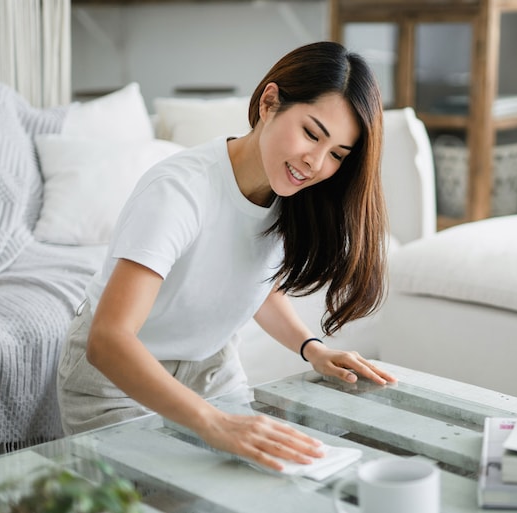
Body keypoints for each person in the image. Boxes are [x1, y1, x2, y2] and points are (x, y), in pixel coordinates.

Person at [57, 41, 396, 472]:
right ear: (269, 102)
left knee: (272, 478)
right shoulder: (179, 191)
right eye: (312, 133)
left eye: (336, 155)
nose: (315, 163)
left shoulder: (289, 195)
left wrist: (312, 348)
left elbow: (256, 283)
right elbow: (108, 340)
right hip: (117, 382)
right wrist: (213, 424)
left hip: (210, 368)